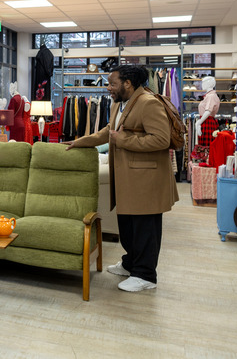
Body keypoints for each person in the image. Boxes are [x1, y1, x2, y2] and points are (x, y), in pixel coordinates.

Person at [65, 64, 178, 292]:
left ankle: (146, 275)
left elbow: (161, 140)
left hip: (146, 180)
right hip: (129, 178)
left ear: (128, 83)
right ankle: (130, 264)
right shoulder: (121, 104)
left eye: (112, 83)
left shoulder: (149, 103)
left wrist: (123, 140)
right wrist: (81, 141)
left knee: (145, 229)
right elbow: (109, 131)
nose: (108, 88)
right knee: (128, 226)